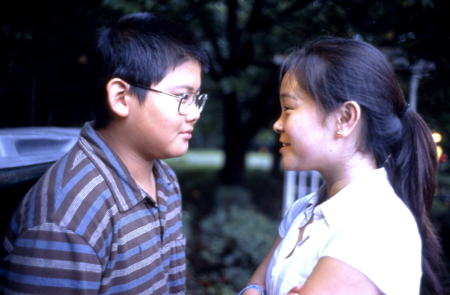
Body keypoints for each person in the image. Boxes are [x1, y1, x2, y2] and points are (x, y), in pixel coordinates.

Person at [0, 12, 209, 294]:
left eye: (196, 98)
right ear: (121, 98)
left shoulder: (166, 180)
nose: (194, 113)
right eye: (182, 97)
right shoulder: (67, 219)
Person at [238, 37, 445, 295]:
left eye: (288, 108)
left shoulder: (377, 227)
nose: (277, 124)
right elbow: (256, 284)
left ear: (345, 118)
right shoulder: (304, 210)